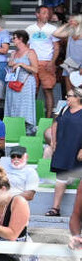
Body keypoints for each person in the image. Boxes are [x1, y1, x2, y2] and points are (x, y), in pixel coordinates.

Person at [48, 86, 82, 221]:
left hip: (77, 149)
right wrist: (53, 141)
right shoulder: (64, 109)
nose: (66, 98)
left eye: (69, 96)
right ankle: (55, 208)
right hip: (63, 149)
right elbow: (55, 124)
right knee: (60, 178)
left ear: (78, 98)